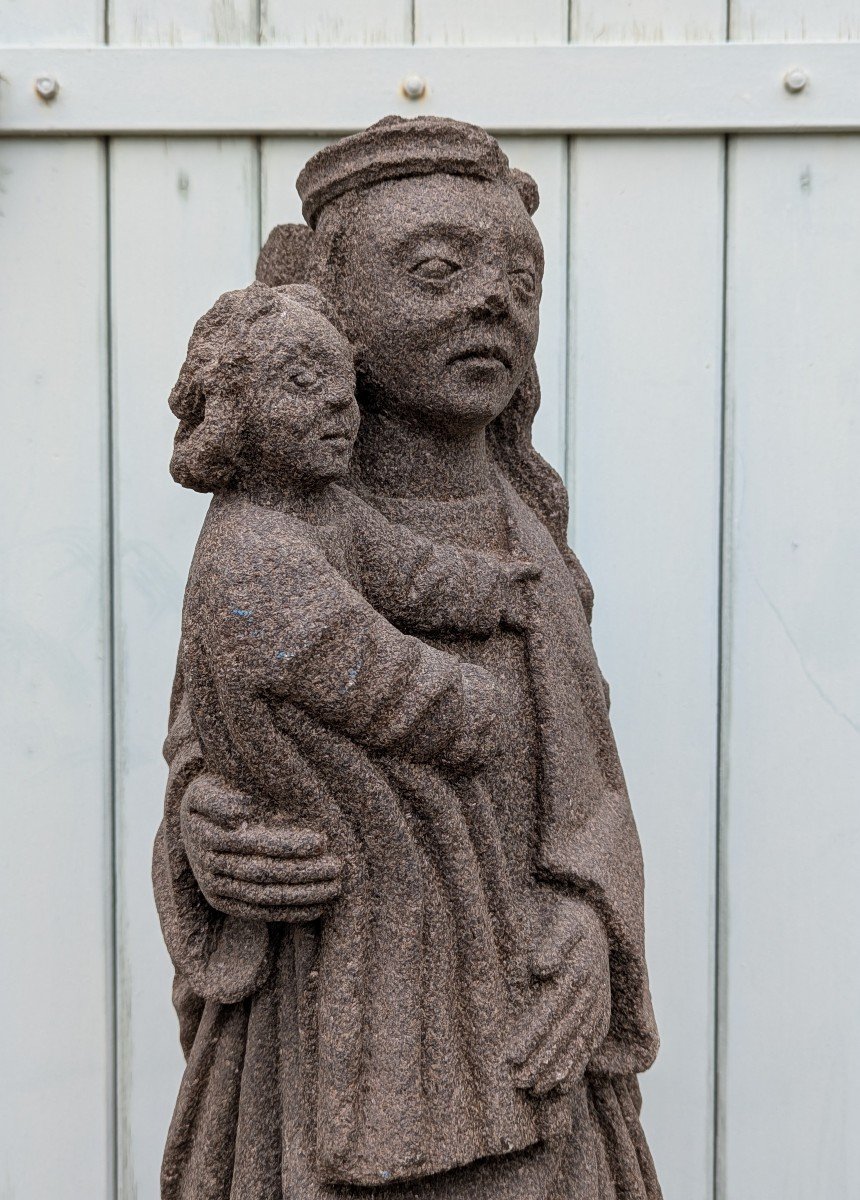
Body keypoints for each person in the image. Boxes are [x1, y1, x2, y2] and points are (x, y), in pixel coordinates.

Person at [154, 116, 662, 1200]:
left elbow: (591, 781)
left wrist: (587, 918)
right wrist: (204, 836)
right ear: (330, 309)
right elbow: (206, 739)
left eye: (518, 278)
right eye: (436, 269)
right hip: (316, 1022)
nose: (493, 301)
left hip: (520, 1017)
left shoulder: (523, 534)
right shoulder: (268, 534)